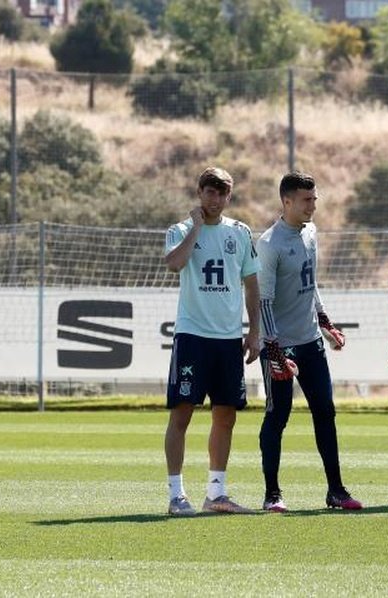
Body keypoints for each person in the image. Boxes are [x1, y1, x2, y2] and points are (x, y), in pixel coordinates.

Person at [256, 171, 362, 512]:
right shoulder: (270, 244)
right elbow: (264, 302)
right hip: (279, 345)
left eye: (314, 199)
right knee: (278, 415)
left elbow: (310, 282)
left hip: (310, 341)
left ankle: (336, 492)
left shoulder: (311, 232)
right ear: (286, 201)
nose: (313, 205)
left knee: (325, 412)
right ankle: (272, 494)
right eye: (306, 200)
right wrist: (274, 352)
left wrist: (325, 322)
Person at [163, 166, 261, 516]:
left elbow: (251, 283)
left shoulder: (240, 232)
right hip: (193, 337)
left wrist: (254, 331)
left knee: (226, 416)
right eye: (209, 192)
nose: (214, 199)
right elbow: (174, 264)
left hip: (228, 339)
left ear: (228, 197)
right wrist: (197, 229)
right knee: (182, 414)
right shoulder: (180, 229)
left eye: (221, 193)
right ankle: (176, 495)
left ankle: (216, 494)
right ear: (199, 192)